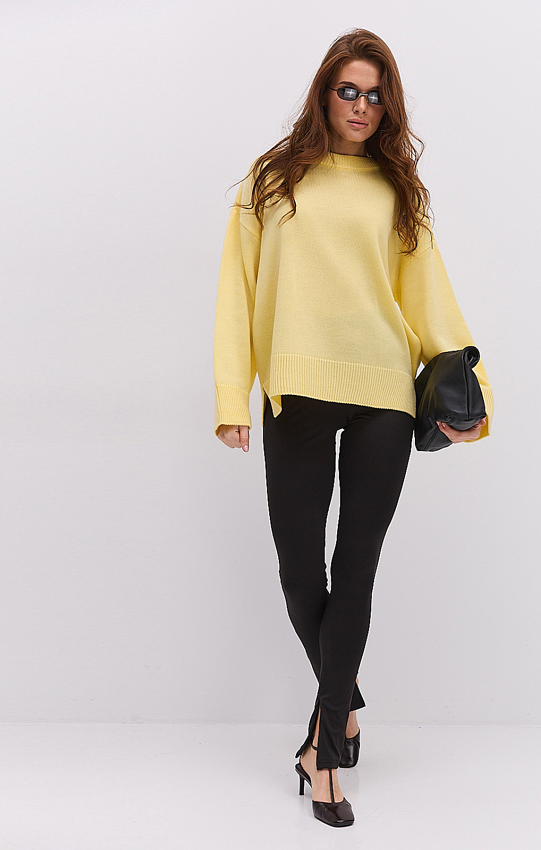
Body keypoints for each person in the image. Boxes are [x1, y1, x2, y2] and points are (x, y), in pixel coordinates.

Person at [213, 28, 495, 828]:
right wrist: (233, 396)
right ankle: (345, 700)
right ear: (324, 94)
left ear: (388, 104)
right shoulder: (271, 179)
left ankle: (326, 752)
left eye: (375, 94)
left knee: (356, 568)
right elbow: (237, 288)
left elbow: (430, 298)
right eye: (349, 91)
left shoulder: (398, 190)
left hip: (381, 391)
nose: (362, 106)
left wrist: (473, 396)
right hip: (296, 387)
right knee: (300, 574)